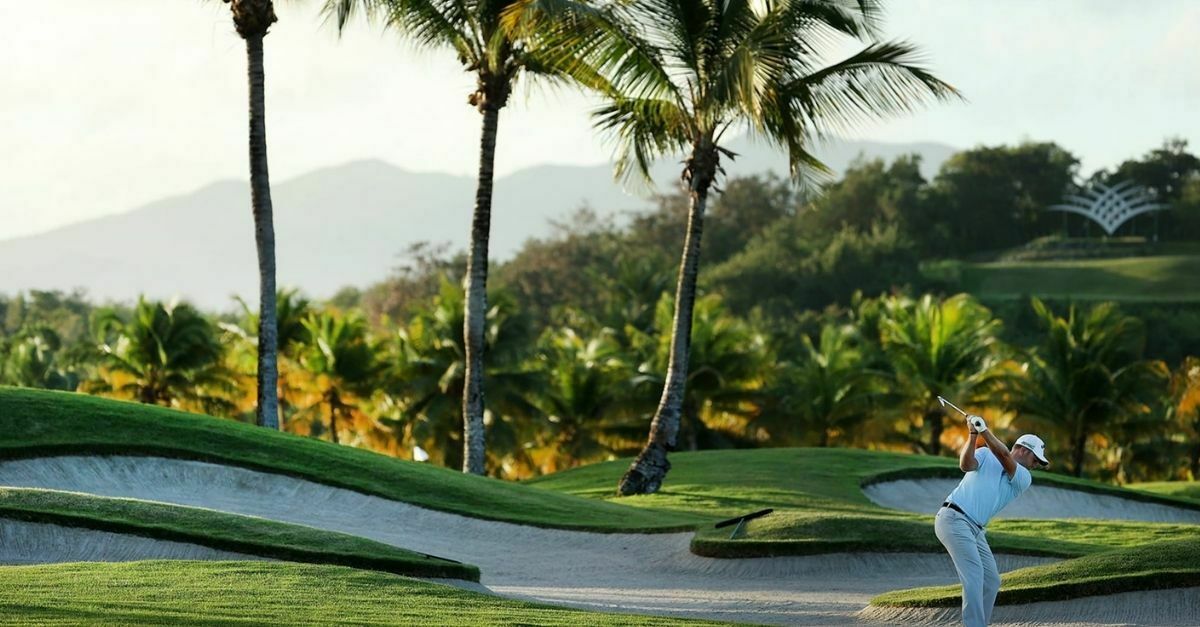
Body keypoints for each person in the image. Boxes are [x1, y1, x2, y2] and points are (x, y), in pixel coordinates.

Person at [936, 414, 1049, 627]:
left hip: (975, 530)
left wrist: (983, 430)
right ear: (1024, 450)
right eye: (1036, 460)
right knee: (975, 576)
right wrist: (972, 435)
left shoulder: (1024, 477)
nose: (1036, 465)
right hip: (953, 519)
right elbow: (966, 465)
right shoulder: (985, 453)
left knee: (991, 581)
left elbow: (1004, 455)